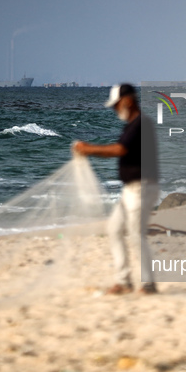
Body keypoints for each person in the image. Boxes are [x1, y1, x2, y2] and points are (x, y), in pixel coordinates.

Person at [73, 84, 159, 295]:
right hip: (131, 188)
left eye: (116, 104)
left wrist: (89, 149)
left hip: (142, 187)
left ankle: (148, 284)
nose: (114, 109)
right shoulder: (132, 125)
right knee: (114, 229)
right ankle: (124, 281)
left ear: (127, 100)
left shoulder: (141, 124)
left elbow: (120, 149)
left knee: (136, 234)